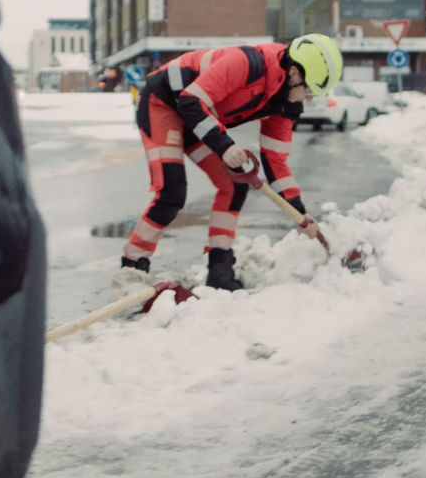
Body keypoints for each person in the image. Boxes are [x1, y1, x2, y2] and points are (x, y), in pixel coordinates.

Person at [118, 34, 342, 290]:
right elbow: (191, 101)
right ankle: (132, 268)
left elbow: (276, 160)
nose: (310, 97)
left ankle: (219, 270)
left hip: (199, 119)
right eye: (310, 89)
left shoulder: (286, 105)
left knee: (234, 185)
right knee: (172, 192)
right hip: (164, 102)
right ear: (293, 72)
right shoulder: (247, 64)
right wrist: (224, 146)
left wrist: (299, 213)